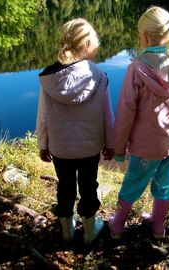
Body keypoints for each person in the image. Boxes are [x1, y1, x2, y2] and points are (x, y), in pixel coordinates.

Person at [108, 6, 169, 239]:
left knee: (133, 182)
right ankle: (157, 226)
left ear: (144, 37)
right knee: (165, 186)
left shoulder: (137, 68)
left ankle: (117, 225)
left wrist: (119, 148)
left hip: (146, 146)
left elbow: (126, 111)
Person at [36, 18, 114, 243]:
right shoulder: (99, 75)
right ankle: (90, 231)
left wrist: (43, 144)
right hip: (89, 148)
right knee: (89, 186)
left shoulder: (50, 78)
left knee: (65, 186)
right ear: (89, 45)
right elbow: (107, 116)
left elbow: (43, 116)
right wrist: (111, 144)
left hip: (60, 148)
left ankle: (66, 230)